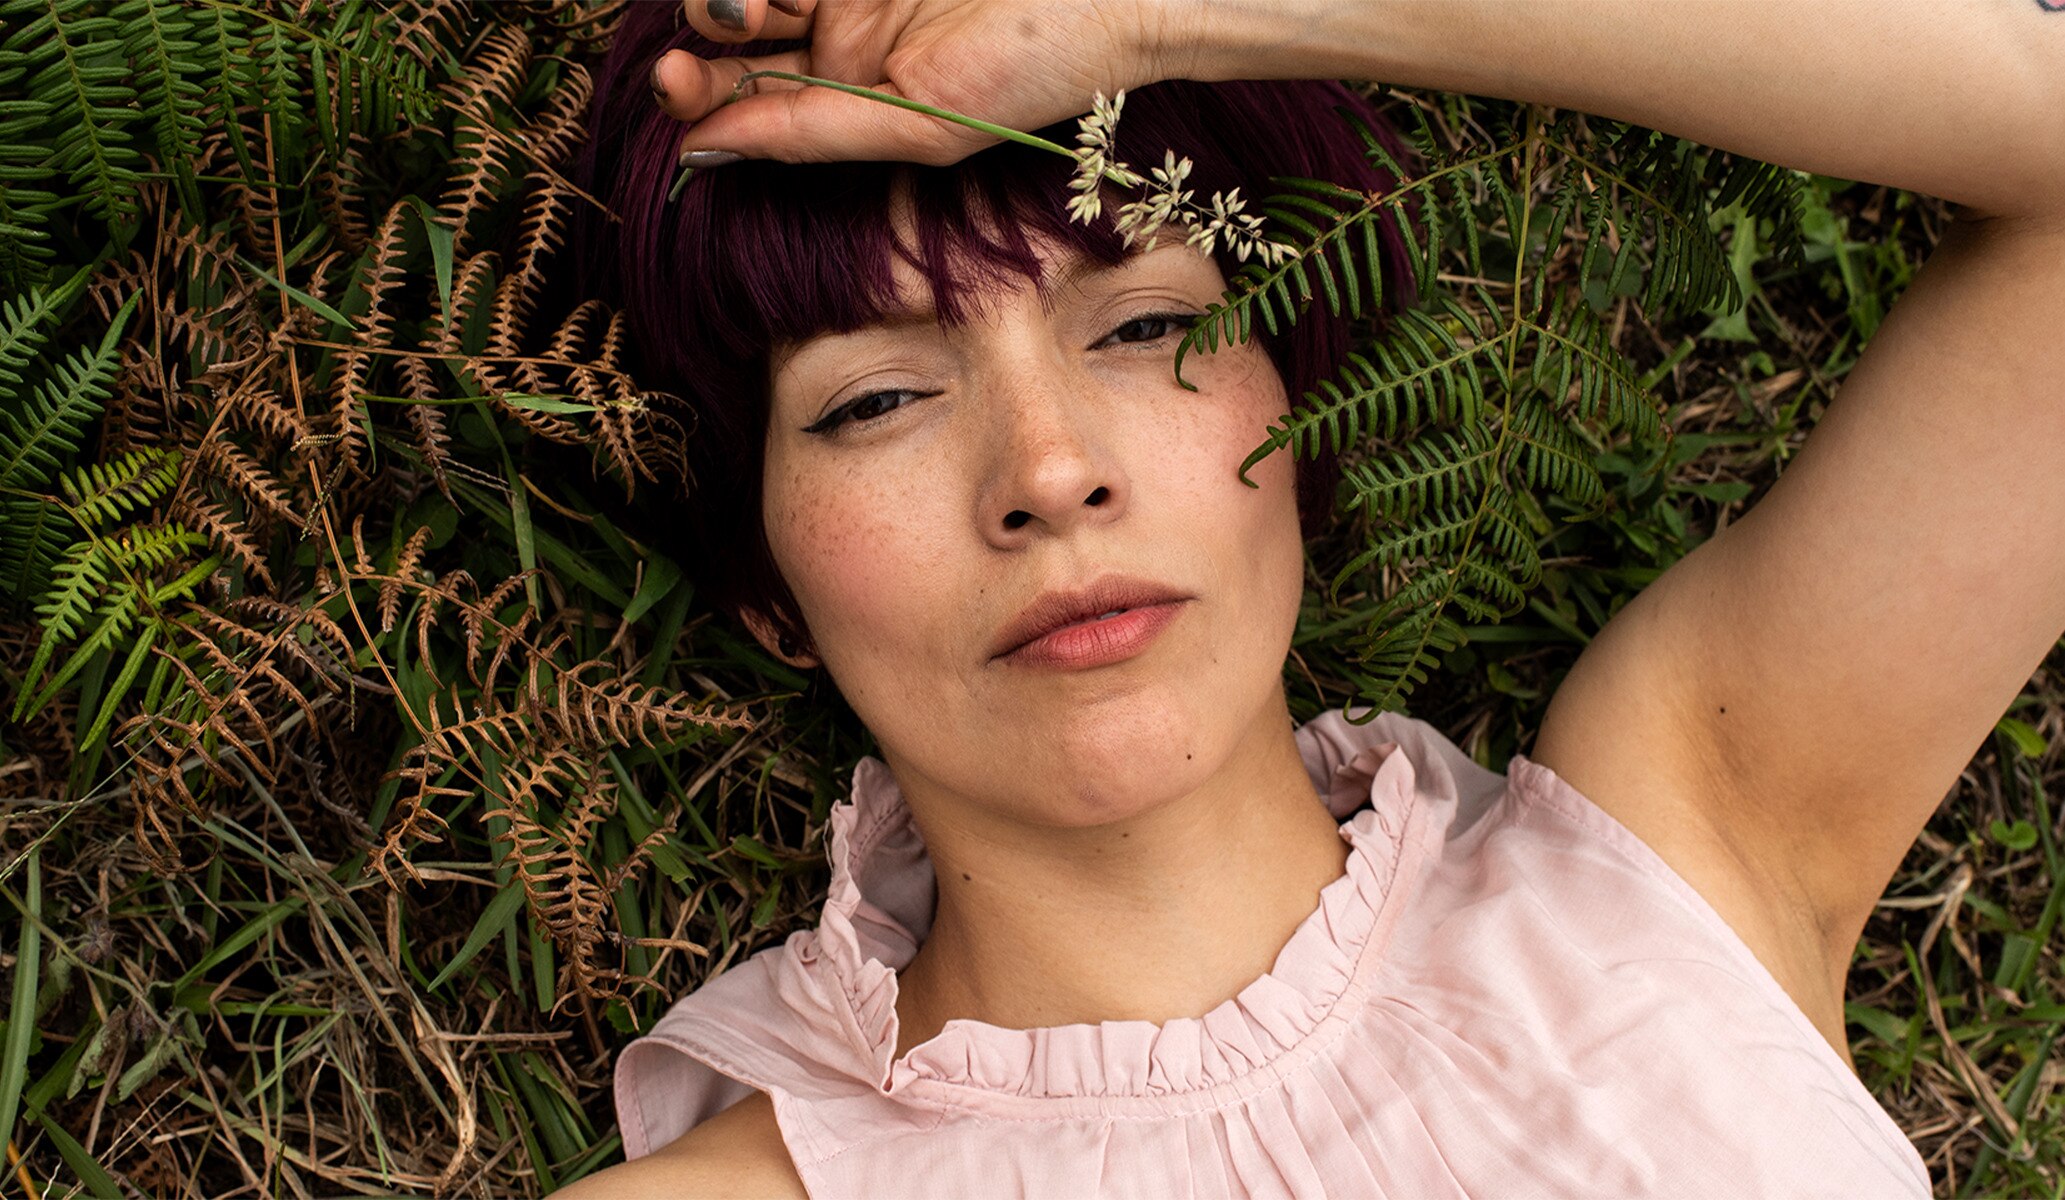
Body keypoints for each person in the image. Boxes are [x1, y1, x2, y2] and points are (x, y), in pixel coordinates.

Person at [557, 1, 2065, 1196]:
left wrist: (1159, 18)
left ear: (1295, 421)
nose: (1052, 468)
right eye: (875, 402)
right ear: (767, 586)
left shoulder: (1692, 845)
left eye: (1144, 325)